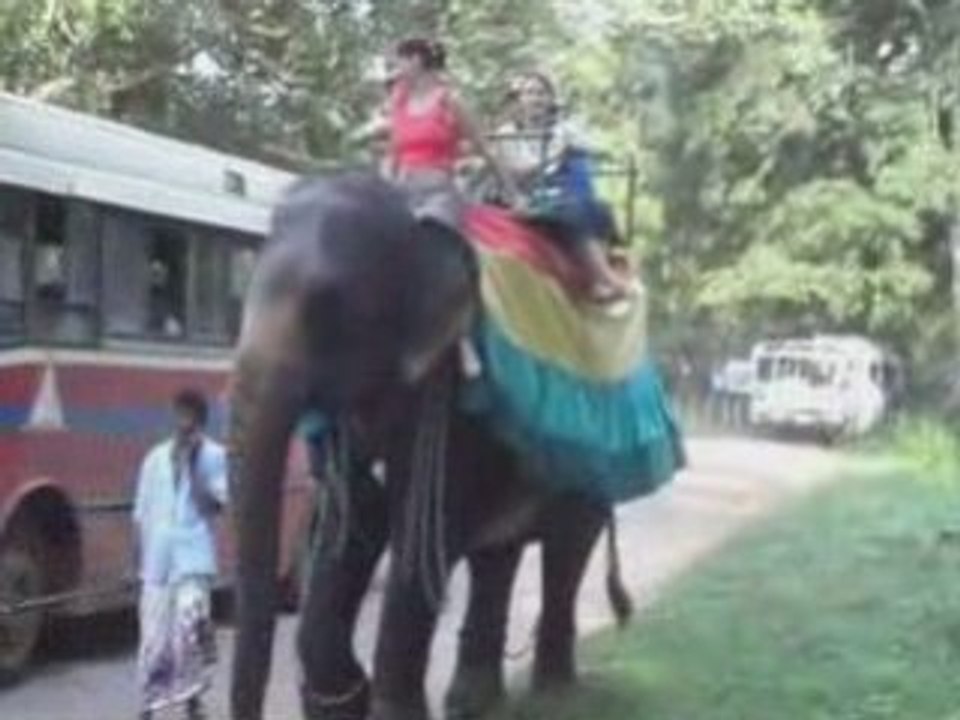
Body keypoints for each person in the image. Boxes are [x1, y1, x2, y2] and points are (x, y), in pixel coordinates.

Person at [494, 71, 632, 302]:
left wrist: (585, 148)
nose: (535, 99)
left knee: (599, 208)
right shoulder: (507, 134)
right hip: (524, 198)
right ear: (520, 99)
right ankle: (604, 278)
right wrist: (555, 155)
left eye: (541, 93)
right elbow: (517, 172)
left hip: (557, 194)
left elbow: (589, 147)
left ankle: (603, 272)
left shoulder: (561, 129)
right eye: (529, 93)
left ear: (550, 99)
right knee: (572, 212)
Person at [133, 389, 228, 720]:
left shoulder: (213, 456)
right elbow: (141, 512)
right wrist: (135, 561)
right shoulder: (155, 458)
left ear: (199, 422)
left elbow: (219, 503)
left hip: (193, 558)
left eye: (189, 417)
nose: (182, 423)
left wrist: (195, 466)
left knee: (188, 630)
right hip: (157, 560)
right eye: (178, 415)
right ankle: (150, 703)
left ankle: (191, 698)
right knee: (154, 637)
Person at [384, 36, 521, 231]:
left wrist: (514, 193)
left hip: (437, 194)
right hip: (404, 192)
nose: (395, 69)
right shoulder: (399, 101)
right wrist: (385, 190)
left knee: (433, 237)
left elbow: (485, 149)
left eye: (399, 62)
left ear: (416, 60)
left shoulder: (450, 101)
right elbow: (393, 152)